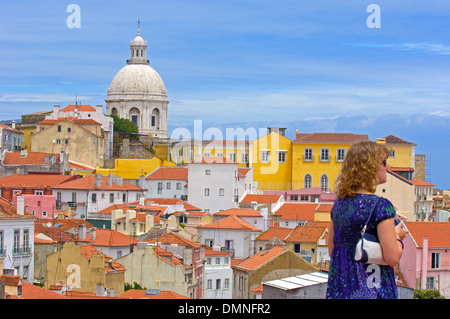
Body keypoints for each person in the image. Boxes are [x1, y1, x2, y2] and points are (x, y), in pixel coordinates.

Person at [326, 141, 408, 299]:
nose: (387, 167)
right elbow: (392, 258)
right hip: (373, 290)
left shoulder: (339, 205)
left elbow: (332, 251)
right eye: (383, 162)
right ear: (369, 167)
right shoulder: (381, 207)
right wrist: (397, 236)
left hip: (342, 290)